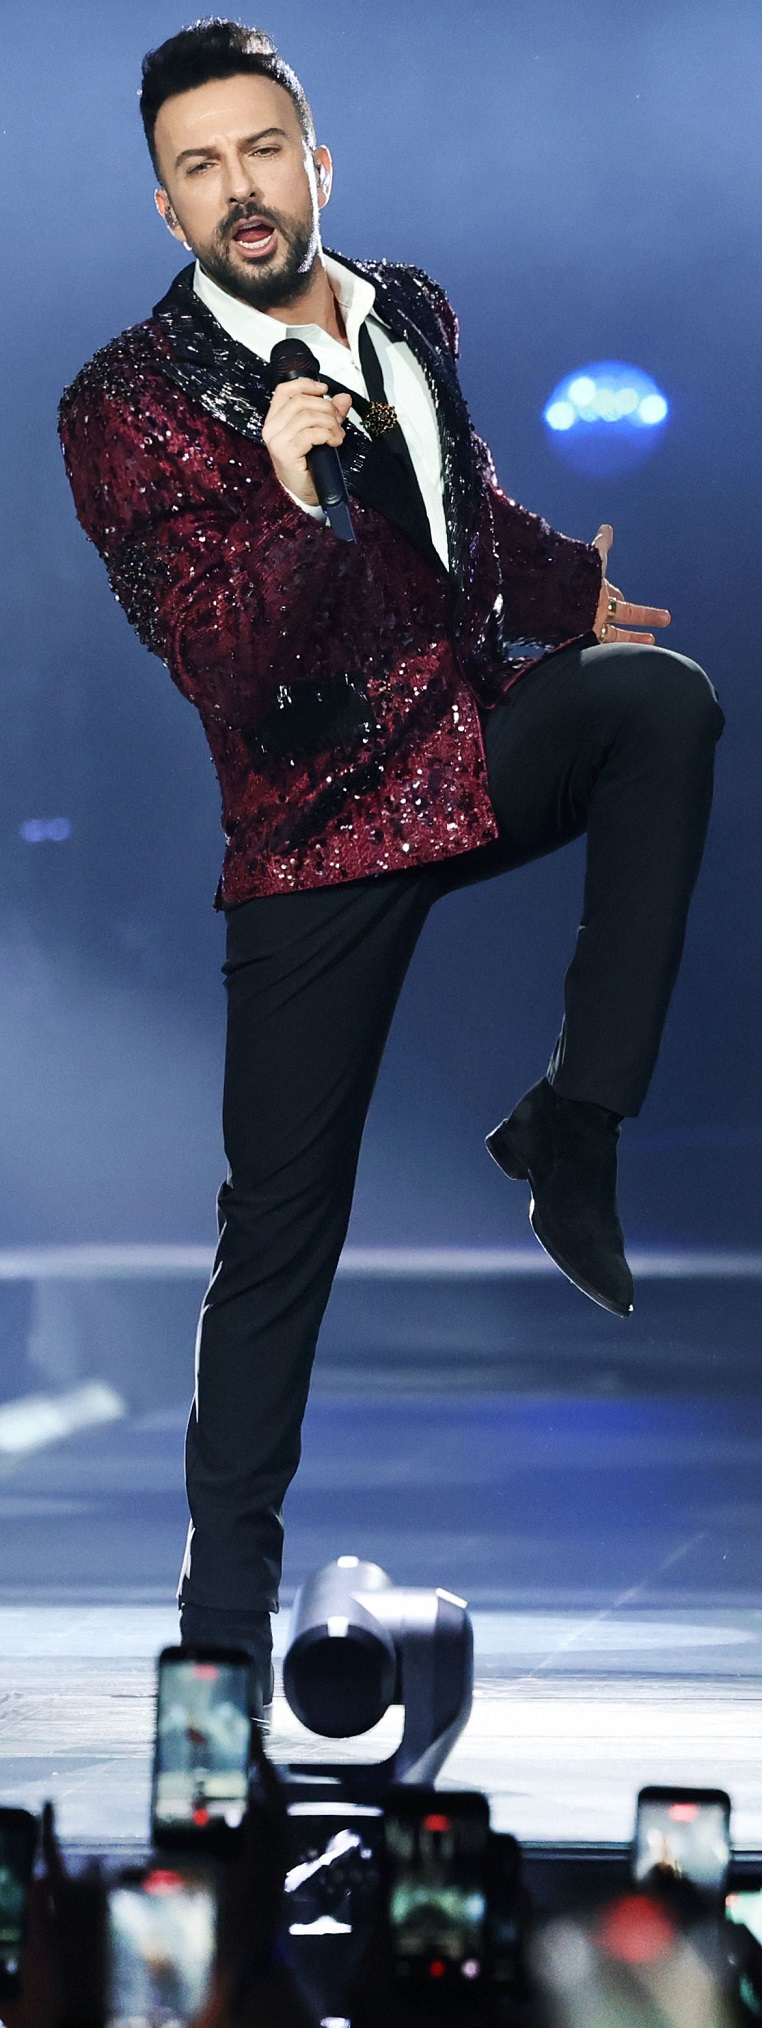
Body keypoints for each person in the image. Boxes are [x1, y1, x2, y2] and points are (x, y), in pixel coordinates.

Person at [58, 20, 724, 1713]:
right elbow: (217, 661)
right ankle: (220, 1631)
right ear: (165, 207)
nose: (241, 190)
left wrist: (567, 595)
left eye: (261, 151)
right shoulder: (127, 406)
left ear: (315, 161)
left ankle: (573, 1121)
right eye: (200, 167)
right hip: (311, 825)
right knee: (277, 1232)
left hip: (462, 736)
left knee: (658, 705)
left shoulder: (406, 307)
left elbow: (457, 514)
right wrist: (289, 497)